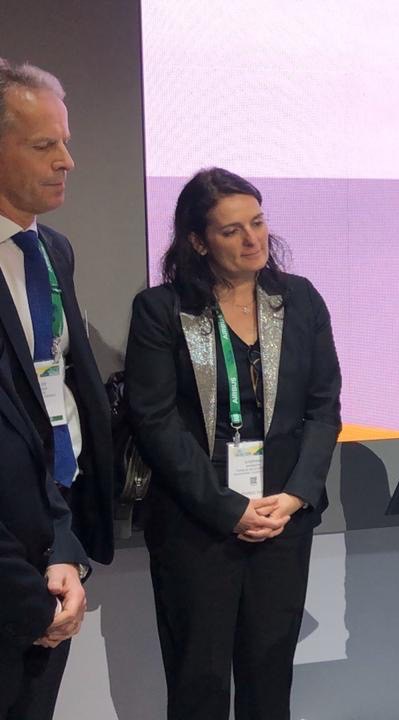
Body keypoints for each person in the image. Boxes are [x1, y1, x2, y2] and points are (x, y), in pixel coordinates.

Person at [126, 167, 342, 720]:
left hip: (281, 517)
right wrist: (227, 509)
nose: (253, 239)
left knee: (269, 678)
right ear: (198, 242)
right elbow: (154, 421)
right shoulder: (160, 309)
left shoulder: (300, 299)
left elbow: (323, 408)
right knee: (198, 683)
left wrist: (296, 495)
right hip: (196, 524)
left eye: (258, 222)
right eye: (231, 230)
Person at [0, 58, 111, 719]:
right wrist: (22, 593)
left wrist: (65, 548)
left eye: (65, 141)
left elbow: (60, 395)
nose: (67, 161)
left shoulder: (53, 251)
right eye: (45, 144)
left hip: (54, 542)